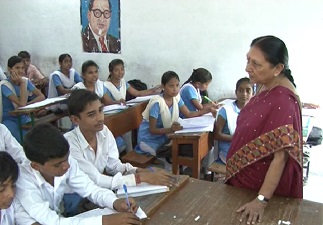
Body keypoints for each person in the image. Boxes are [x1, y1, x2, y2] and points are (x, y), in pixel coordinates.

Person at [225, 35, 303, 224]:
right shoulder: (265, 85)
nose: (247, 68)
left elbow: (281, 157)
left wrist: (261, 201)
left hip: (258, 188)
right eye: (248, 60)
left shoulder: (283, 101)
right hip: (243, 178)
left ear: (277, 69)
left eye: (256, 64)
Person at [63, 89, 176, 213]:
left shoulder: (103, 131)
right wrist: (139, 178)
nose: (100, 118)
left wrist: (138, 170)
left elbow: (114, 166)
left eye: (100, 110)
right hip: (74, 196)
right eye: (91, 115)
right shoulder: (68, 144)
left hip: (98, 190)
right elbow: (95, 179)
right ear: (75, 120)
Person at [15, 123, 140, 225]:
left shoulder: (64, 161)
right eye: (57, 165)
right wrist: (103, 221)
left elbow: (90, 188)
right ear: (36, 166)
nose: (67, 166)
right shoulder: (23, 180)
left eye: (67, 159)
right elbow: (52, 221)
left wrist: (115, 202)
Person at [135, 71, 216, 170]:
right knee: (170, 162)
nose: (175, 89)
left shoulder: (176, 98)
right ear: (163, 86)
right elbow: (152, 130)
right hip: (148, 140)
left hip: (165, 137)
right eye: (171, 86)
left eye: (177, 85)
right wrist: (170, 129)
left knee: (180, 155)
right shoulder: (157, 103)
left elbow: (188, 114)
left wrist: (207, 110)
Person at [104, 59, 161, 152]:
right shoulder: (105, 85)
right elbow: (107, 101)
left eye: (122, 69)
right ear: (111, 72)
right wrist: (116, 102)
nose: (120, 72)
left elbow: (137, 93)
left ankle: (130, 152)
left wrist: (152, 90)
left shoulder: (123, 83)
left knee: (130, 123)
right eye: (116, 70)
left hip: (123, 113)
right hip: (111, 116)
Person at [0, 56, 45, 143]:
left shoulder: (24, 80)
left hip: (23, 116)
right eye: (17, 68)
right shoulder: (4, 85)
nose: (20, 71)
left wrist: (29, 105)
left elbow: (41, 96)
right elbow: (22, 104)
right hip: (9, 119)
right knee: (23, 141)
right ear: (10, 69)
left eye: (22, 68)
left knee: (39, 136)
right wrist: (22, 84)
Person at [214, 77, 253, 164]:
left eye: (248, 91)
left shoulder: (255, 111)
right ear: (236, 92)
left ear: (253, 93)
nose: (244, 94)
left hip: (247, 149)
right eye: (241, 90)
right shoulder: (226, 110)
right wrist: (239, 138)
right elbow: (216, 135)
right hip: (228, 150)